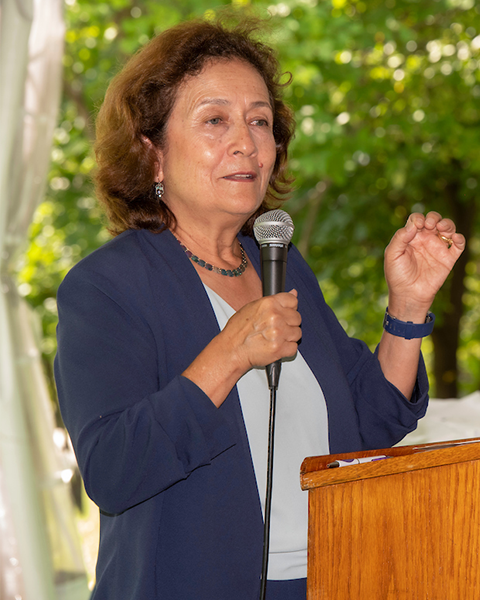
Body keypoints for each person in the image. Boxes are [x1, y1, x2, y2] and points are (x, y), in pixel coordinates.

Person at [54, 16, 465, 600]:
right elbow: (114, 471)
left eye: (260, 121)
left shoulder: (282, 265)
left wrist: (408, 308)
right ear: (153, 155)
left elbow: (368, 425)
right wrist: (229, 353)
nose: (246, 141)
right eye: (215, 120)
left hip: (335, 575)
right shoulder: (105, 287)